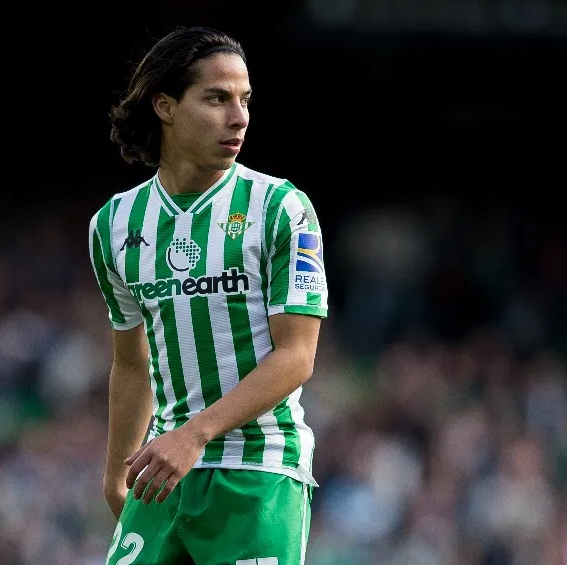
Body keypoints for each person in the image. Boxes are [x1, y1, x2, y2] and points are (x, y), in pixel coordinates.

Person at [88, 26, 328, 565]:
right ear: (166, 106)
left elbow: (297, 356)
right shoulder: (114, 224)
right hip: (163, 473)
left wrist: (194, 435)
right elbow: (132, 361)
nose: (239, 117)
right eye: (217, 99)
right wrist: (115, 471)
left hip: (259, 471)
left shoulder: (280, 208)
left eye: (245, 100)